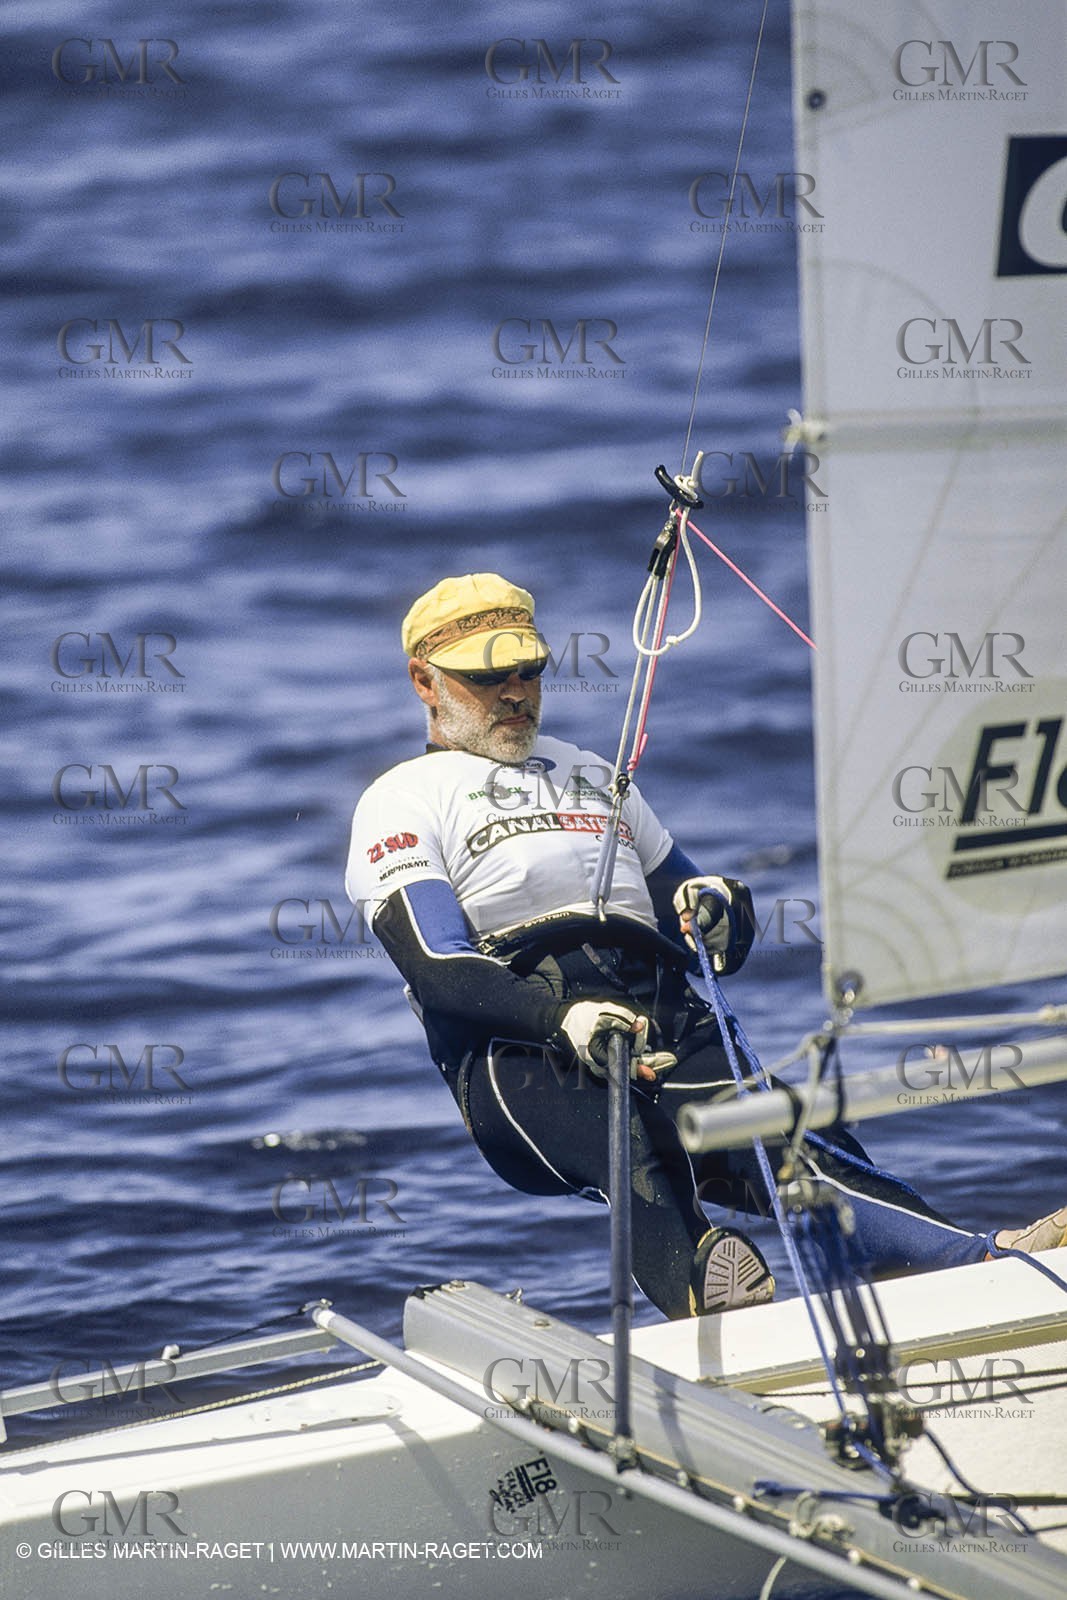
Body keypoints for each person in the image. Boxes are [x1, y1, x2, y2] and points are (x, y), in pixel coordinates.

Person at [345, 572, 1067, 1320]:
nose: (515, 692)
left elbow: (708, 926)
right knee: (632, 1154)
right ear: (424, 682)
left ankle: (974, 1263)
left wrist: (721, 908)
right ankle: (706, 1289)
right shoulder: (401, 797)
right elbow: (438, 970)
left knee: (804, 1147)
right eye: (486, 677)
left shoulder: (592, 774)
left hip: (664, 1014)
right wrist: (562, 1019)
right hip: (523, 1049)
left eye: (528, 669)